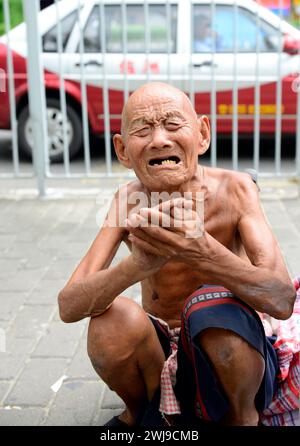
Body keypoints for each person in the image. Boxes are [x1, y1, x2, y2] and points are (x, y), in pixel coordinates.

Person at [57, 82, 296, 427]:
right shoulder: (127, 202)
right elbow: (69, 306)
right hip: (161, 351)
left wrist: (203, 252)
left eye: (173, 125)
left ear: (202, 134)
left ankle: (241, 417)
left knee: (210, 307)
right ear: (123, 151)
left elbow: (281, 298)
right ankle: (147, 416)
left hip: (235, 352)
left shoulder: (237, 190)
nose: (159, 140)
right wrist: (137, 266)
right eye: (143, 129)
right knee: (112, 320)